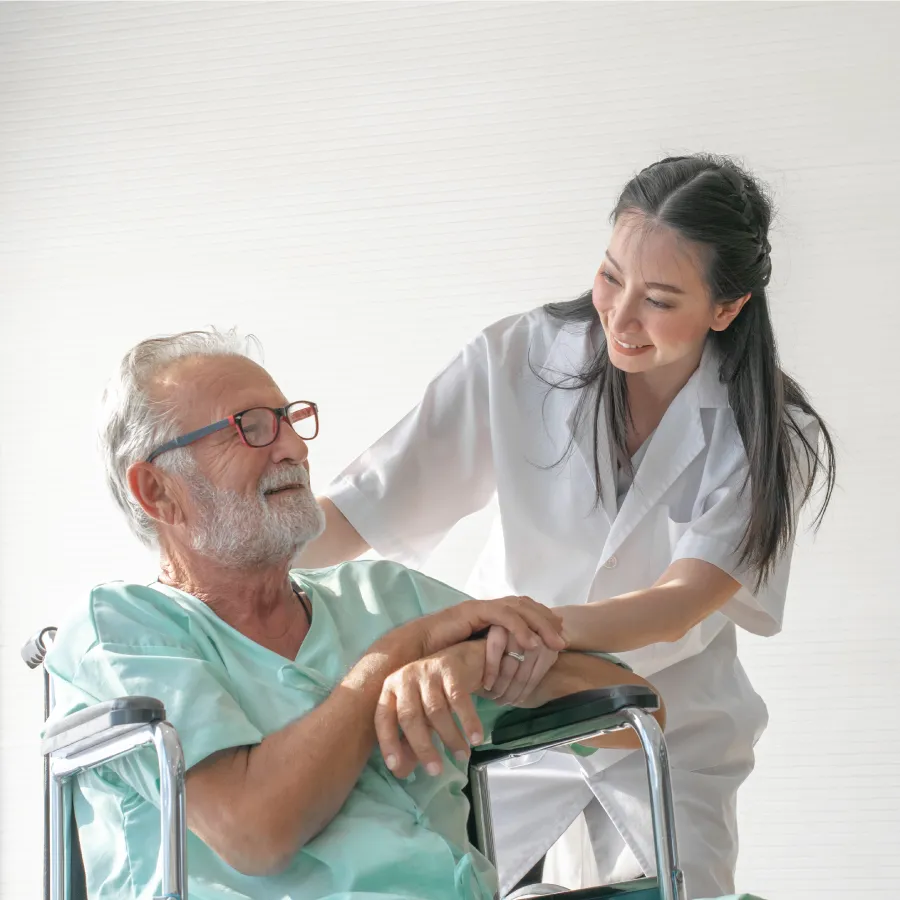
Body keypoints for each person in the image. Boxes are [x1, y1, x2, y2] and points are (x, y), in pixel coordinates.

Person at [298, 154, 836, 898]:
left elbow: (679, 601)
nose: (619, 317)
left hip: (669, 736)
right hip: (508, 711)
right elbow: (362, 509)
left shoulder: (772, 433)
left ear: (726, 306)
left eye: (659, 298)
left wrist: (511, 630)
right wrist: (218, 562)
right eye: (611, 276)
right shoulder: (520, 356)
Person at [44, 330, 666, 900]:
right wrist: (396, 659)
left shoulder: (382, 593)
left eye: (290, 420)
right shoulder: (119, 627)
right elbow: (254, 829)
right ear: (157, 490)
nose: (291, 446)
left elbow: (631, 708)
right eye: (250, 427)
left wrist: (465, 663)